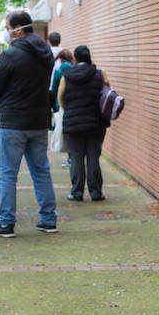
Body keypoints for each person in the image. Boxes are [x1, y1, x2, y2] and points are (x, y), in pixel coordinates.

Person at [0, 9, 57, 237]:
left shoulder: (10, 55)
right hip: (38, 121)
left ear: (16, 29)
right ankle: (49, 219)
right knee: (41, 171)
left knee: (7, 173)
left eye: (7, 28)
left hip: (13, 123)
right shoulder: (45, 53)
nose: (7, 33)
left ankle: (6, 223)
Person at [57, 45, 110, 202]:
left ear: (75, 59)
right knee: (93, 156)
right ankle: (96, 192)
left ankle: (77, 193)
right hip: (96, 123)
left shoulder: (66, 76)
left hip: (73, 124)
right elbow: (107, 95)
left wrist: (71, 109)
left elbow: (61, 99)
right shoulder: (100, 74)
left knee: (76, 157)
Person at [49, 48, 74, 165]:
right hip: (74, 104)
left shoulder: (58, 72)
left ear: (60, 59)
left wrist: (54, 106)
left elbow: (53, 90)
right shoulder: (75, 69)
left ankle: (70, 157)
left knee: (65, 132)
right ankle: (74, 157)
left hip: (61, 105)